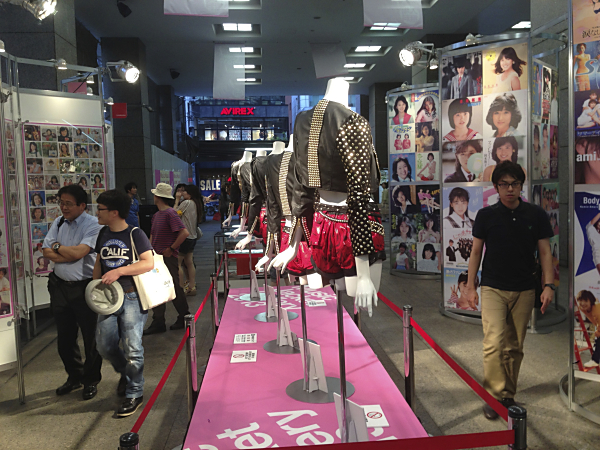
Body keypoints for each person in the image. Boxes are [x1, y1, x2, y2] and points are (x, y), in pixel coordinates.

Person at [465, 161, 555, 420]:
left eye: (514, 184)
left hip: (525, 288)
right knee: (493, 342)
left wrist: (548, 285)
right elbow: (475, 252)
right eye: (503, 184)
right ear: (496, 187)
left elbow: (545, 253)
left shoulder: (536, 214)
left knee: (514, 346)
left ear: (521, 186)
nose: (509, 189)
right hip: (493, 286)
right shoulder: (486, 215)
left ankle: (507, 394)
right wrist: (470, 286)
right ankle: (493, 396)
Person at [93, 190, 154, 418]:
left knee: (133, 348)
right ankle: (127, 375)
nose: (97, 213)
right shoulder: (103, 233)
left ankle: (134, 392)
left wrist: (119, 271)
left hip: (131, 296)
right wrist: (95, 287)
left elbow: (148, 263)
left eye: (100, 209)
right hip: (108, 298)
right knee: (104, 345)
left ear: (114, 212)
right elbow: (99, 260)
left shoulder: (135, 233)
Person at [42, 185, 103, 401]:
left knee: (90, 337)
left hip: (84, 287)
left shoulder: (93, 224)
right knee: (65, 338)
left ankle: (91, 380)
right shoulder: (58, 222)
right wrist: (65, 252)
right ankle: (74, 376)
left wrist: (58, 248)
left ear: (82, 205)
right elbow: (46, 250)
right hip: (59, 286)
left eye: (68, 204)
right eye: (61, 203)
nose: (64, 207)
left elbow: (80, 252)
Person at [143, 183, 190, 335]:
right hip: (158, 257)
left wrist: (171, 248)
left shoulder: (169, 213)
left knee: (173, 286)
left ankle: (183, 316)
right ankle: (160, 320)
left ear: (157, 196)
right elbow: (153, 235)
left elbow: (184, 232)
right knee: (158, 288)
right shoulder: (159, 215)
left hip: (166, 257)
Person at [177, 184, 202, 296]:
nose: (183, 193)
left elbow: (174, 214)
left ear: (190, 194)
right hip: (192, 237)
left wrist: (177, 200)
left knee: (178, 263)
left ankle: (181, 288)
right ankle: (192, 286)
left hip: (184, 237)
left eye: (185, 191)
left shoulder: (186, 203)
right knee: (189, 262)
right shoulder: (196, 203)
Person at [575, 290, 600, 368]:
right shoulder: (583, 308)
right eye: (580, 301)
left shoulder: (596, 310)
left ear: (591, 301)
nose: (582, 303)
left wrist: (598, 331)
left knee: (598, 341)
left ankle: (595, 360)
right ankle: (595, 360)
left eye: (585, 301)